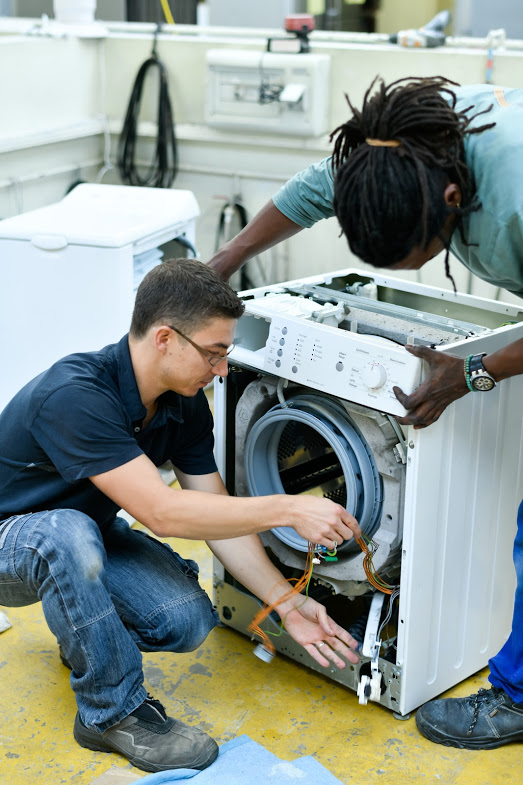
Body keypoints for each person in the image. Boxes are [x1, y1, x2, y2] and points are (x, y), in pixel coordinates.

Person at [208, 77, 523, 749]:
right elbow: (303, 195)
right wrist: (224, 264)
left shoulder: (516, 192)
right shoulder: (391, 155)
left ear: (451, 201)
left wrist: (472, 371)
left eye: (414, 250)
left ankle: (519, 697)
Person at [0, 258, 362, 773]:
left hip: (85, 539)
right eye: (214, 353)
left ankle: (87, 643)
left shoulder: (183, 403)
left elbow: (213, 513)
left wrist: (285, 600)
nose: (222, 370)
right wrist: (287, 507)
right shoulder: (76, 394)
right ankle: (110, 714)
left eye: (226, 353)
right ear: (165, 338)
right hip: (11, 542)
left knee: (185, 619)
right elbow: (162, 512)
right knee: (68, 531)